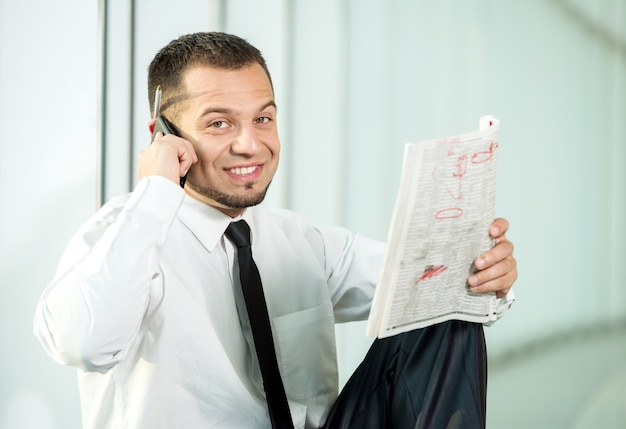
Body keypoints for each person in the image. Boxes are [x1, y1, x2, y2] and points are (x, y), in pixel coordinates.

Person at [34, 32, 517, 429]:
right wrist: (156, 193)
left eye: (263, 118)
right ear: (163, 135)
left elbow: (427, 281)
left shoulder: (299, 240)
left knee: (439, 310)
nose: (252, 145)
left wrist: (481, 270)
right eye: (220, 123)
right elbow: (85, 343)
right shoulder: (120, 237)